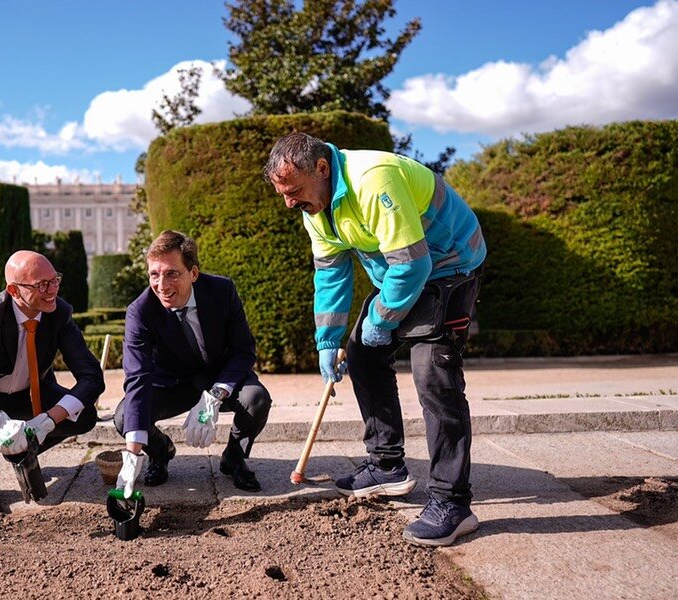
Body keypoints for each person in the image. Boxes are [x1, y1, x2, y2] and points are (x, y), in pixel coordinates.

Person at [265, 132, 486, 547]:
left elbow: (414, 264)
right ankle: (387, 467)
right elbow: (330, 273)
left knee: (433, 374)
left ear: (322, 169)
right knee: (364, 357)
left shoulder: (374, 179)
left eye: (293, 191)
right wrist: (327, 340)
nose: (289, 203)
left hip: (451, 263)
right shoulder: (316, 207)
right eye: (283, 194)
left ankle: (453, 503)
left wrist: (382, 318)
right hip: (402, 272)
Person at [0, 250, 104, 513]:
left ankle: (27, 448)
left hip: (31, 393)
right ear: (14, 291)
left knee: (85, 416)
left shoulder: (60, 314)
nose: (52, 291)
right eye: (41, 285)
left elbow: (91, 377)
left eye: (55, 280)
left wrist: (48, 420)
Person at [114, 231, 272, 497]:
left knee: (256, 399)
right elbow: (137, 377)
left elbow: (243, 350)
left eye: (172, 273)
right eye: (154, 274)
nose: (161, 285)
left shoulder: (222, 291)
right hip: (173, 384)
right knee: (124, 417)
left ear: (193, 273)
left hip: (221, 376)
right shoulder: (140, 311)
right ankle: (161, 451)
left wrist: (217, 393)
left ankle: (234, 457)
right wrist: (131, 458)